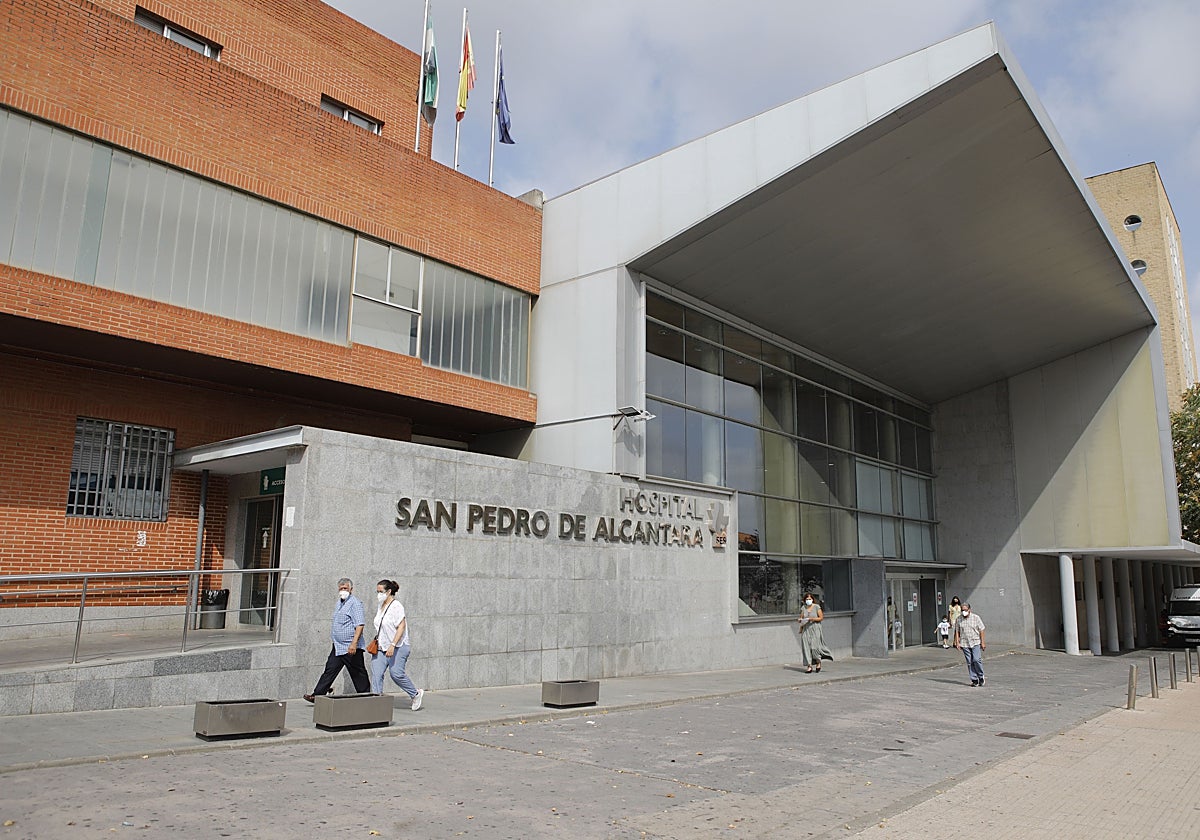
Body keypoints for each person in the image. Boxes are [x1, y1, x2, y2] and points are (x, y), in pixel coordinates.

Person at [304, 577, 371, 702]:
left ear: (351, 589)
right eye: (341, 588)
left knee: (357, 672)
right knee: (330, 670)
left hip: (350, 646)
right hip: (338, 646)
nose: (343, 590)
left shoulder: (355, 603)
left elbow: (360, 625)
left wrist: (354, 643)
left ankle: (366, 696)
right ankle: (317, 695)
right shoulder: (339, 603)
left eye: (345, 588)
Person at [370, 579, 425, 711]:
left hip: (398, 646)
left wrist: (393, 645)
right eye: (377, 591)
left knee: (396, 674)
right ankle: (377, 702)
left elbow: (401, 627)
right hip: (381, 647)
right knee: (376, 674)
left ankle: (415, 694)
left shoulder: (397, 606)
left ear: (389, 591)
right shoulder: (380, 605)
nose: (378, 594)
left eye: (380, 591)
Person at [797, 592, 832, 673]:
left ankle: (818, 662)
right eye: (807, 599)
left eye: (810, 599)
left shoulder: (816, 607)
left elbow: (821, 617)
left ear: (812, 599)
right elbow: (801, 618)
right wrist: (800, 622)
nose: (808, 600)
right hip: (806, 629)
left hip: (815, 628)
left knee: (814, 647)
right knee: (806, 647)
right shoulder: (803, 608)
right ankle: (809, 666)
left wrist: (812, 619)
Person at [953, 601, 986, 686]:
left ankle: (981, 676)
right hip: (964, 643)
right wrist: (957, 642)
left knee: (976, 659)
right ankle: (974, 679)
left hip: (975, 641)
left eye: (965, 610)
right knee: (969, 661)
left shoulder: (976, 618)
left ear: (969, 610)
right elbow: (957, 631)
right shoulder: (959, 619)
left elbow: (981, 630)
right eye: (962, 610)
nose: (964, 612)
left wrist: (982, 642)